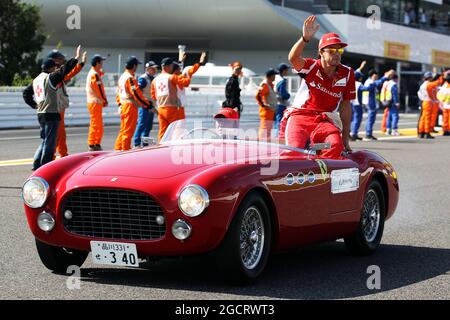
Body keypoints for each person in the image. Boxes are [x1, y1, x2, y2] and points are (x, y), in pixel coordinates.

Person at [279, 15, 356, 159]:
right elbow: (293, 59)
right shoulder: (312, 66)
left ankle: (318, 166)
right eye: (332, 50)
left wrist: (345, 137)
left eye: (339, 50)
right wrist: (305, 38)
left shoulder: (348, 73)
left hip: (324, 121)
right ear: (321, 52)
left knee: (334, 146)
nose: (337, 54)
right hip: (299, 117)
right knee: (294, 152)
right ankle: (307, 155)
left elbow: (346, 107)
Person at [22, 46, 82, 170]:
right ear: (51, 68)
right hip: (51, 113)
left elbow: (26, 93)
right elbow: (64, 71)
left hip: (41, 113)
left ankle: (36, 164)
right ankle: (45, 167)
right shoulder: (50, 78)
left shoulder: (36, 80)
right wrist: (76, 59)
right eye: (54, 67)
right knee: (50, 143)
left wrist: (34, 105)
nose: (56, 68)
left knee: (44, 141)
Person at [151, 54, 204, 142]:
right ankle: (174, 149)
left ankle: (161, 148)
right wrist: (187, 76)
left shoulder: (155, 80)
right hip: (173, 108)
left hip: (160, 108)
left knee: (163, 131)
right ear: (169, 66)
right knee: (177, 131)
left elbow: (153, 96)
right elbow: (186, 83)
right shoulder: (171, 77)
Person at [48, 49, 86, 158]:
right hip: (56, 108)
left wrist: (81, 63)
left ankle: (62, 154)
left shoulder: (58, 74)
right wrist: (79, 61)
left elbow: (71, 73)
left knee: (61, 133)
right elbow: (70, 72)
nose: (62, 61)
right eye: (60, 59)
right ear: (54, 60)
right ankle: (52, 155)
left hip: (59, 108)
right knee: (56, 133)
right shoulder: (54, 75)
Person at [115, 56, 154, 151]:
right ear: (133, 66)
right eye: (136, 65)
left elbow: (118, 93)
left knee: (123, 129)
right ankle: (125, 150)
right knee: (128, 130)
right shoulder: (130, 78)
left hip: (123, 104)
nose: (137, 67)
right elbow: (136, 93)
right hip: (129, 105)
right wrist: (147, 104)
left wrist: (119, 105)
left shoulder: (122, 77)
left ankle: (118, 149)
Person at [133, 61, 158, 148]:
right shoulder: (143, 79)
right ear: (147, 69)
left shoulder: (153, 78)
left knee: (148, 126)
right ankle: (136, 143)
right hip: (144, 105)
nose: (155, 70)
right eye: (153, 68)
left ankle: (145, 143)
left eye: (155, 68)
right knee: (141, 124)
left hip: (151, 105)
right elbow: (137, 91)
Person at [363, 69, 394, 140]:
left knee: (371, 119)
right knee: (371, 119)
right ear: (372, 75)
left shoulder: (370, 81)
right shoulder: (369, 82)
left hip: (371, 102)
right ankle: (368, 134)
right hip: (370, 102)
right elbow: (377, 83)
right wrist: (385, 76)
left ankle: (369, 133)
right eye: (375, 75)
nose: (376, 77)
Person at [86, 54, 108, 151]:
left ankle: (95, 143)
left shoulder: (93, 73)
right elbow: (99, 89)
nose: (102, 64)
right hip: (95, 101)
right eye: (101, 62)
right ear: (97, 63)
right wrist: (104, 100)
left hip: (93, 102)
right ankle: (93, 143)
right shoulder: (94, 74)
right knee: (96, 124)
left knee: (97, 123)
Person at [256, 69, 278, 140]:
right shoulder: (265, 84)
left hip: (270, 111)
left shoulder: (269, 84)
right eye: (274, 75)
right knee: (264, 129)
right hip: (266, 111)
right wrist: (263, 105)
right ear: (270, 76)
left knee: (267, 130)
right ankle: (260, 145)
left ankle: (266, 146)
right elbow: (258, 95)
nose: (275, 77)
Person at [350, 60, 367, 141]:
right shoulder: (359, 84)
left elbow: (356, 72)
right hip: (357, 104)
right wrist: (373, 84)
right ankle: (354, 133)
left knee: (353, 119)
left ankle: (352, 133)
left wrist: (361, 67)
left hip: (351, 103)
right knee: (358, 119)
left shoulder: (351, 82)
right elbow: (367, 89)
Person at [274, 63, 291, 135]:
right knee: (280, 120)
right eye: (287, 70)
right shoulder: (282, 80)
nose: (288, 71)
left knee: (275, 121)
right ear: (283, 71)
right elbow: (283, 94)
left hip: (273, 102)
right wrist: (288, 95)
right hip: (280, 103)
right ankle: (278, 136)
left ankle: (275, 135)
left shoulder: (274, 78)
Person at [417, 71, 434, 138]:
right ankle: (427, 132)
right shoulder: (429, 84)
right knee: (428, 118)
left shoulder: (422, 85)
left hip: (423, 101)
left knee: (422, 118)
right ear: (430, 78)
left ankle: (421, 132)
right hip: (428, 101)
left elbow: (419, 93)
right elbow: (432, 94)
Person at [437, 71, 450, 136]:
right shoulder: (446, 86)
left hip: (445, 105)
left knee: (445, 118)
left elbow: (439, 95)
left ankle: (445, 130)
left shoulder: (445, 86)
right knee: (447, 118)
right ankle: (447, 130)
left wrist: (442, 101)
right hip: (446, 105)